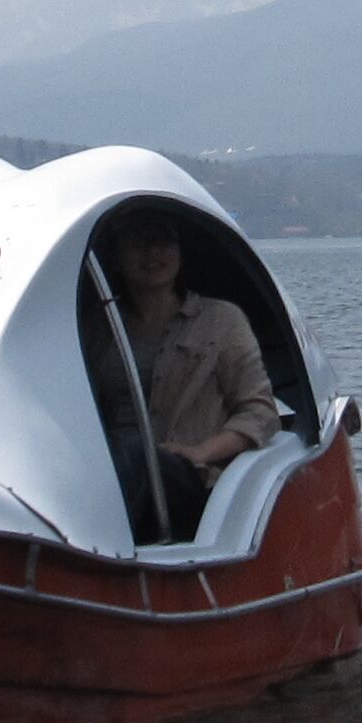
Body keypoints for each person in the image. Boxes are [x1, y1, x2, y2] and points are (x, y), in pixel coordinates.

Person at [102, 209, 277, 537]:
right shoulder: (98, 330)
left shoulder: (222, 321)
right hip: (108, 475)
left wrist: (200, 452)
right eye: (139, 242)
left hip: (187, 479)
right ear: (115, 256)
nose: (153, 253)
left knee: (144, 462)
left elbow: (260, 413)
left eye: (163, 241)